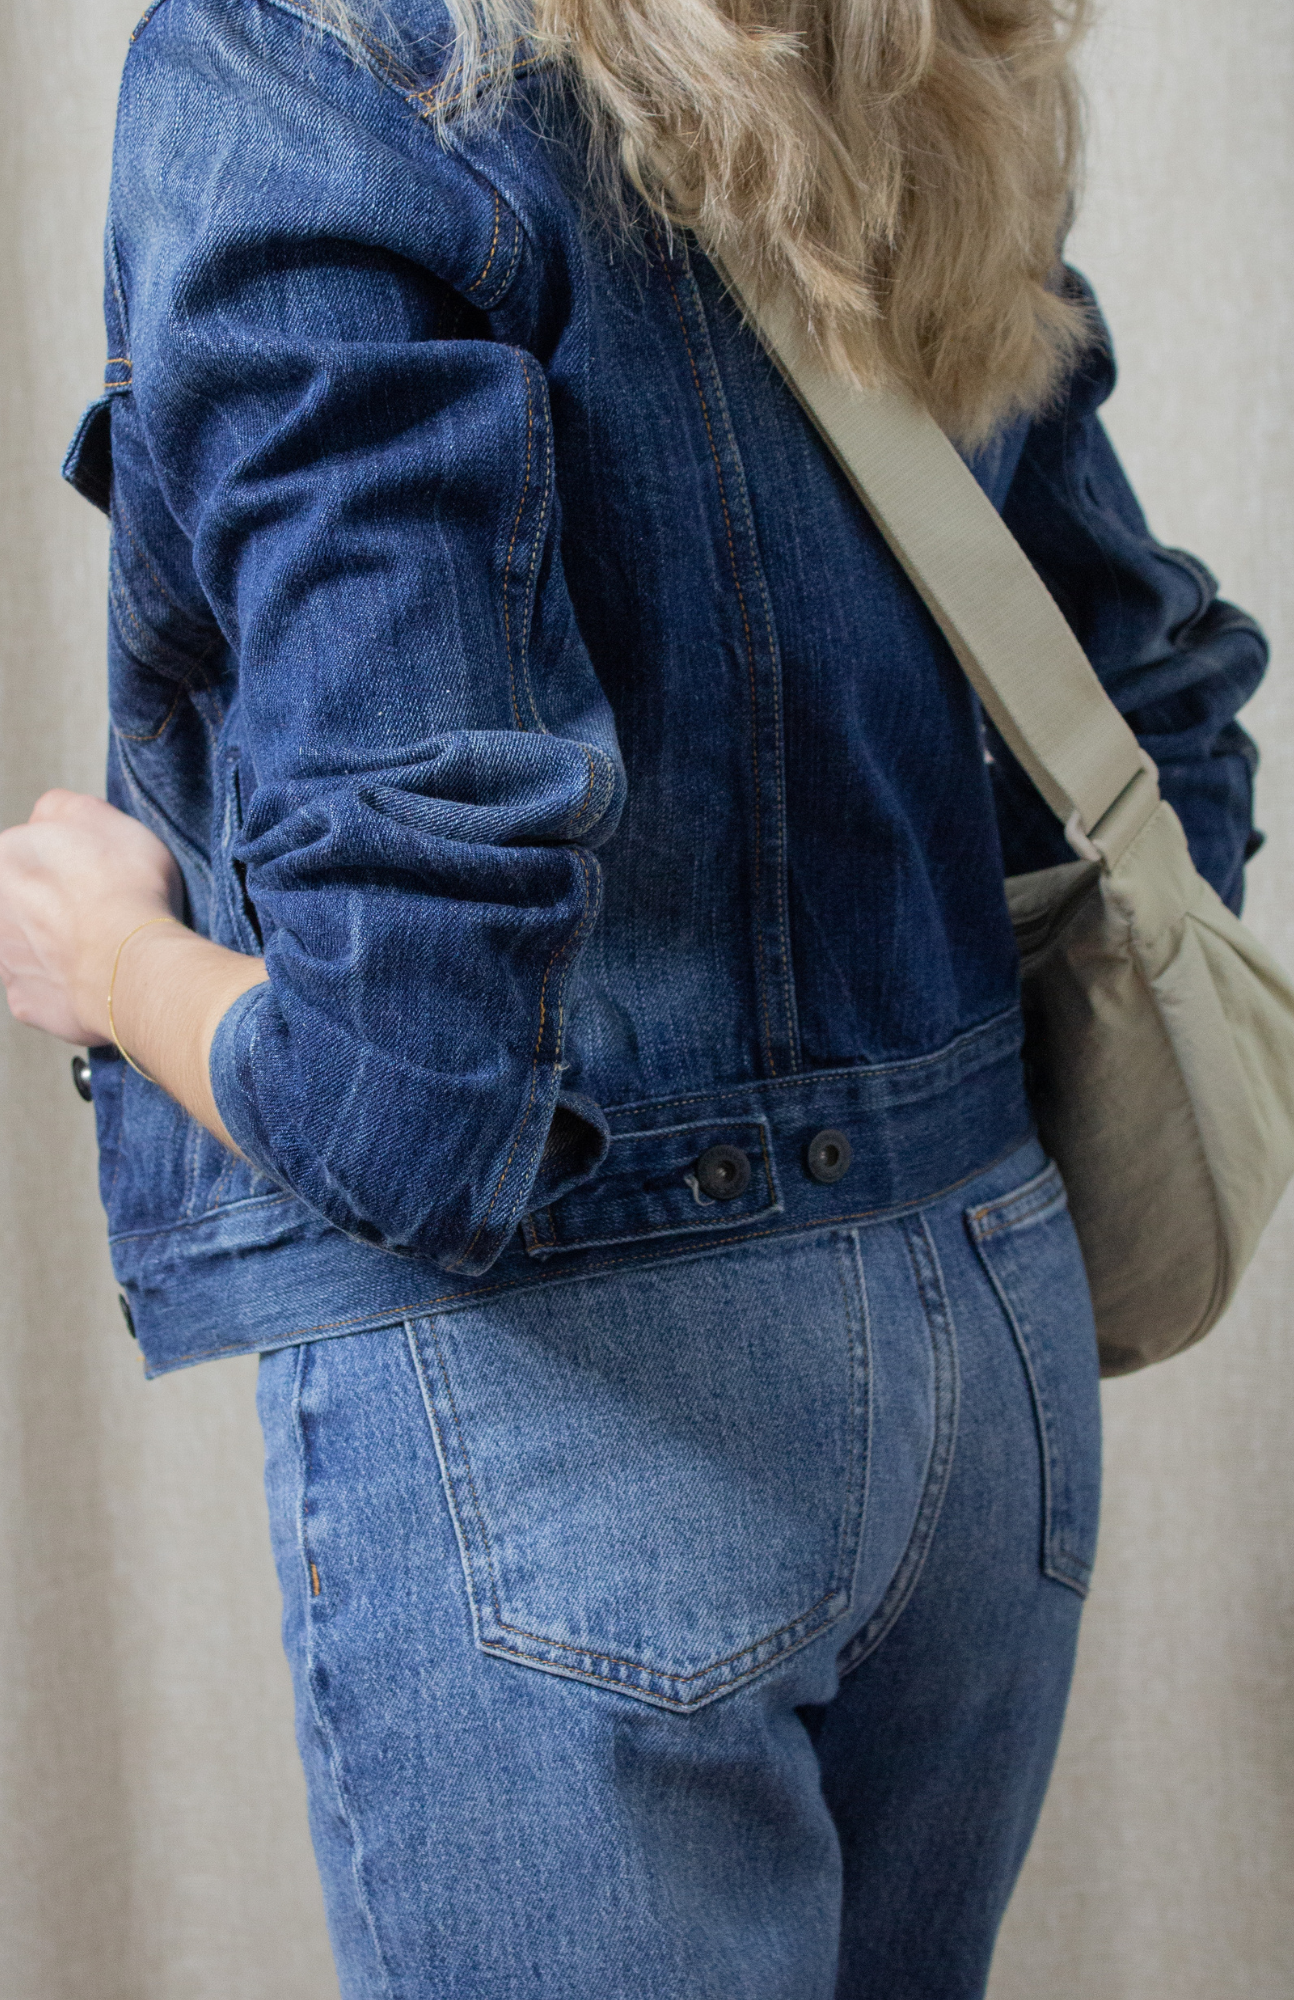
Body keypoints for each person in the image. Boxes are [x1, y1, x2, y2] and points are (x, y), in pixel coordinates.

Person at [0, 0, 1267, 1992]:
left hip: (589, 1417)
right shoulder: (894, 45)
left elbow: (403, 1092)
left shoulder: (310, 60)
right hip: (981, 1341)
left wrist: (110, 955)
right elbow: (1157, 726)